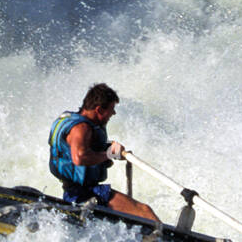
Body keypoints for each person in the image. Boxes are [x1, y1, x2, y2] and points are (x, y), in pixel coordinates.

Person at [48, 84, 159, 223]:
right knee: (145, 212)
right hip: (86, 193)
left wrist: (108, 148)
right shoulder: (81, 128)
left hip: (73, 192)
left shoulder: (71, 121)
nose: (114, 114)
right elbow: (80, 158)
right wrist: (108, 154)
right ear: (99, 110)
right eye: (112, 109)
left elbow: (79, 148)